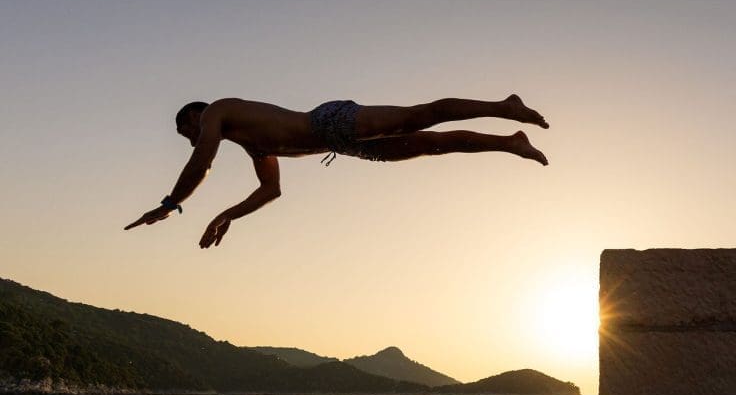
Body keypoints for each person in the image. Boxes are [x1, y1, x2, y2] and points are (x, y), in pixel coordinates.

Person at [124, 95, 550, 248]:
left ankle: (504, 107)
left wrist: (170, 205)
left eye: (188, 130)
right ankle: (510, 142)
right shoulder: (257, 146)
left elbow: (202, 161)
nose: (191, 139)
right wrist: (225, 215)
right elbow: (270, 191)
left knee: (418, 117)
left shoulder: (219, 109)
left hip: (331, 123)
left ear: (198, 115)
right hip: (346, 147)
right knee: (437, 145)